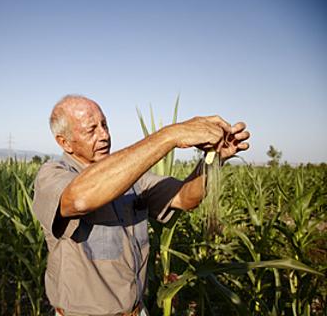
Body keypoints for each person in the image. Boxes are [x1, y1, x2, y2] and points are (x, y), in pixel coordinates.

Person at [32, 95, 250, 316]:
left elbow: (186, 197)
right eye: (91, 130)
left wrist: (214, 159)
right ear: (64, 142)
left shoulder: (133, 179)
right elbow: (79, 199)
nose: (104, 135)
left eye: (104, 125)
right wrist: (171, 135)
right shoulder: (53, 175)